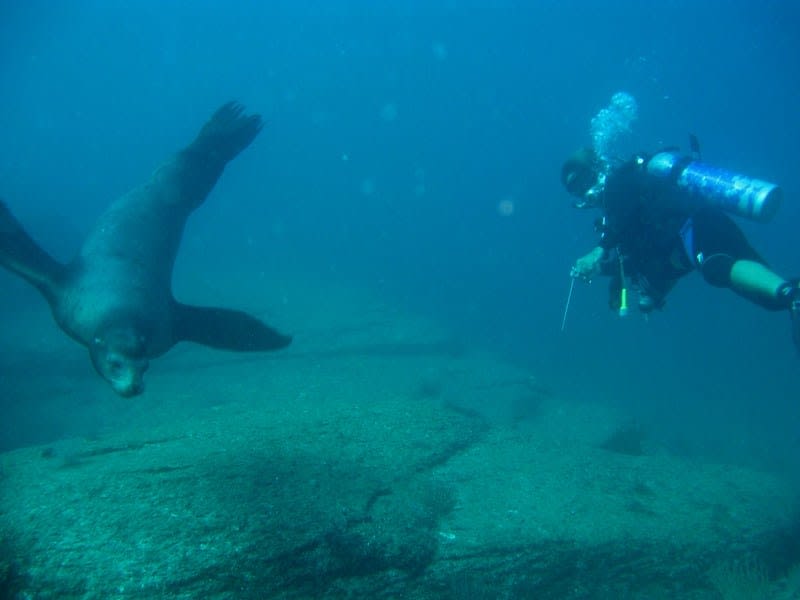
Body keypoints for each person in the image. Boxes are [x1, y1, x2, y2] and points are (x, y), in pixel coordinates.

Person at [561, 146, 800, 352]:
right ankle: (791, 294)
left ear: (597, 170)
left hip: (697, 224)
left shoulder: (619, 182)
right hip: (705, 224)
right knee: (769, 298)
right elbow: (639, 259)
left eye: (584, 182)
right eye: (576, 191)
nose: (585, 194)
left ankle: (792, 296)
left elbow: (624, 218)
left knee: (716, 267)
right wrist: (601, 270)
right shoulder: (619, 216)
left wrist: (598, 251)